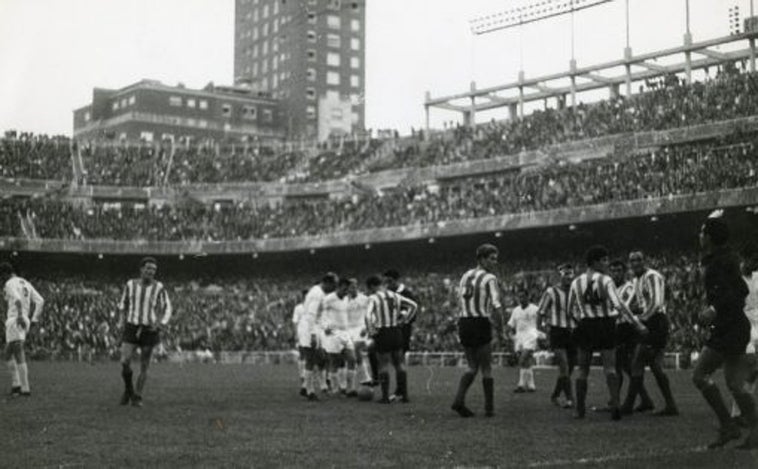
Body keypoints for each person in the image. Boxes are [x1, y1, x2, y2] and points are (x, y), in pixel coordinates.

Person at [692, 214, 757, 449]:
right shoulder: (717, 258)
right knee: (735, 385)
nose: (699, 236)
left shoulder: (725, 260)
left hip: (731, 328)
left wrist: (714, 309)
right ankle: (746, 429)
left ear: (709, 236)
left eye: (702, 232)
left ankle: (730, 427)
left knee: (700, 375)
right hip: (730, 326)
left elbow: (739, 290)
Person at [568, 245, 647, 421]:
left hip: (586, 324)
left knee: (583, 370)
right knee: (610, 368)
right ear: (595, 262)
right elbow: (619, 304)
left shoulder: (576, 282)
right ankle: (616, 407)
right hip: (605, 324)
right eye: (604, 260)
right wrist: (636, 324)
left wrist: (578, 322)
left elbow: (569, 309)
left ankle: (580, 410)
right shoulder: (606, 280)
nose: (606, 263)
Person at [621, 251, 679, 416]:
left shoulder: (652, 276)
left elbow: (656, 302)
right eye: (632, 260)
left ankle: (629, 405)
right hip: (650, 321)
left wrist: (641, 319)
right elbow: (642, 304)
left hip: (656, 322)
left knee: (638, 362)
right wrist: (632, 313)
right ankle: (670, 405)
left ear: (644, 260)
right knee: (652, 365)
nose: (636, 263)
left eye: (639, 259)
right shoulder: (637, 280)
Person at [451, 244, 504, 418]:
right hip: (480, 322)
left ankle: (459, 400)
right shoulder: (489, 278)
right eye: (491, 258)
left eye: (496, 258)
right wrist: (501, 328)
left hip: (464, 322)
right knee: (486, 368)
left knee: (472, 366)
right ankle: (489, 409)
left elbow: (461, 301)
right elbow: (496, 306)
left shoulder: (465, 275)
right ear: (481, 259)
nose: (494, 262)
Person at [118, 257, 172, 407]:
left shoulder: (159, 287)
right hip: (132, 326)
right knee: (125, 361)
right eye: (148, 268)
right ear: (141, 269)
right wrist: (121, 322)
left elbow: (167, 307)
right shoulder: (130, 284)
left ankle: (138, 395)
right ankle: (129, 390)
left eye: (154, 269)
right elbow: (123, 305)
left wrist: (161, 325)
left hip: (149, 329)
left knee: (144, 365)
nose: (151, 271)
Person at [609, 258, 654, 414]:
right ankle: (645, 399)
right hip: (618, 328)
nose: (615, 273)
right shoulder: (612, 289)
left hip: (626, 328)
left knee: (619, 366)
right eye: (613, 271)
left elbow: (626, 308)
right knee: (626, 367)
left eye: (618, 270)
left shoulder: (628, 287)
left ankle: (614, 401)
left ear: (624, 272)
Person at [366, 275, 417, 404]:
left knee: (383, 365)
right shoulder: (395, 295)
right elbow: (414, 306)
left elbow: (367, 316)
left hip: (383, 332)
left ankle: (385, 397)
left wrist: (372, 331)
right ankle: (404, 396)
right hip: (396, 331)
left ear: (372, 286)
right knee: (400, 364)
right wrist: (404, 321)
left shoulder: (373, 298)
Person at [2, 262, 44, 397]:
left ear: (4, 274)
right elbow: (40, 301)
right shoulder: (26, 282)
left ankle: (24, 388)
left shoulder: (9, 283)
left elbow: (17, 299)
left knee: (18, 351)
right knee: (7, 353)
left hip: (16, 318)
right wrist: (34, 320)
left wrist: (19, 315)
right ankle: (17, 384)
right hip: (23, 318)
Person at [537, 263, 575, 408]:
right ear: (560, 276)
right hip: (557, 331)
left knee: (569, 368)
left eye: (571, 274)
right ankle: (571, 399)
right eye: (566, 274)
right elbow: (540, 312)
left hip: (572, 331)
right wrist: (542, 332)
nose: (569, 277)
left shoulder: (576, 291)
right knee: (564, 366)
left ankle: (555, 395)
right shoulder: (551, 291)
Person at [299, 273, 338, 401]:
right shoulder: (317, 294)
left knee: (320, 358)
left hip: (313, 328)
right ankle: (309, 391)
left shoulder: (318, 291)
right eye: (334, 285)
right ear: (327, 283)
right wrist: (313, 335)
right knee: (311, 359)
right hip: (309, 329)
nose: (334, 288)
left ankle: (307, 387)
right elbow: (311, 315)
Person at [384, 269, 419, 400]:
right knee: (396, 361)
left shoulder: (406, 293)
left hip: (402, 331)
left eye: (390, 281)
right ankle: (400, 391)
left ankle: (402, 392)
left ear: (396, 280)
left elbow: (413, 311)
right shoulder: (388, 293)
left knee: (399, 360)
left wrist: (402, 321)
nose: (387, 284)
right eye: (386, 281)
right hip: (391, 330)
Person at [320, 278, 358, 397]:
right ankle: (336, 389)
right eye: (345, 289)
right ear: (339, 287)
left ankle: (350, 389)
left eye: (348, 289)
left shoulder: (347, 299)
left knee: (352, 359)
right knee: (334, 362)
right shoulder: (329, 299)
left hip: (345, 333)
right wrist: (325, 326)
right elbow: (320, 313)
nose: (347, 291)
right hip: (333, 333)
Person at [731, 259, 758, 426]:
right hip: (745, 327)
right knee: (747, 369)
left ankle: (742, 411)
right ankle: (738, 413)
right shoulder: (736, 281)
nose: (745, 265)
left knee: (753, 372)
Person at [508, 288, 539, 393]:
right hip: (519, 338)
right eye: (519, 296)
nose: (521, 299)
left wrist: (540, 334)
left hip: (530, 337)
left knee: (522, 359)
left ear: (528, 297)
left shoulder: (535, 309)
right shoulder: (516, 310)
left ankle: (521, 384)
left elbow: (541, 321)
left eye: (523, 296)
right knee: (527, 362)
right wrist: (508, 333)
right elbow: (511, 324)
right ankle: (531, 385)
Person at [346, 278, 371, 387]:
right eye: (351, 287)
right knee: (351, 358)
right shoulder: (344, 301)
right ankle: (350, 386)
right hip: (348, 330)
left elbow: (370, 314)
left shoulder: (365, 299)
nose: (353, 289)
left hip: (361, 328)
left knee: (356, 350)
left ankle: (366, 377)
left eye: (355, 286)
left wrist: (366, 327)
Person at [292, 289, 308, 396]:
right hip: (302, 335)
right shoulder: (298, 308)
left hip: (312, 334)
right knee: (303, 357)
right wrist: (296, 334)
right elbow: (295, 322)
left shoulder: (313, 308)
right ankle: (303, 380)